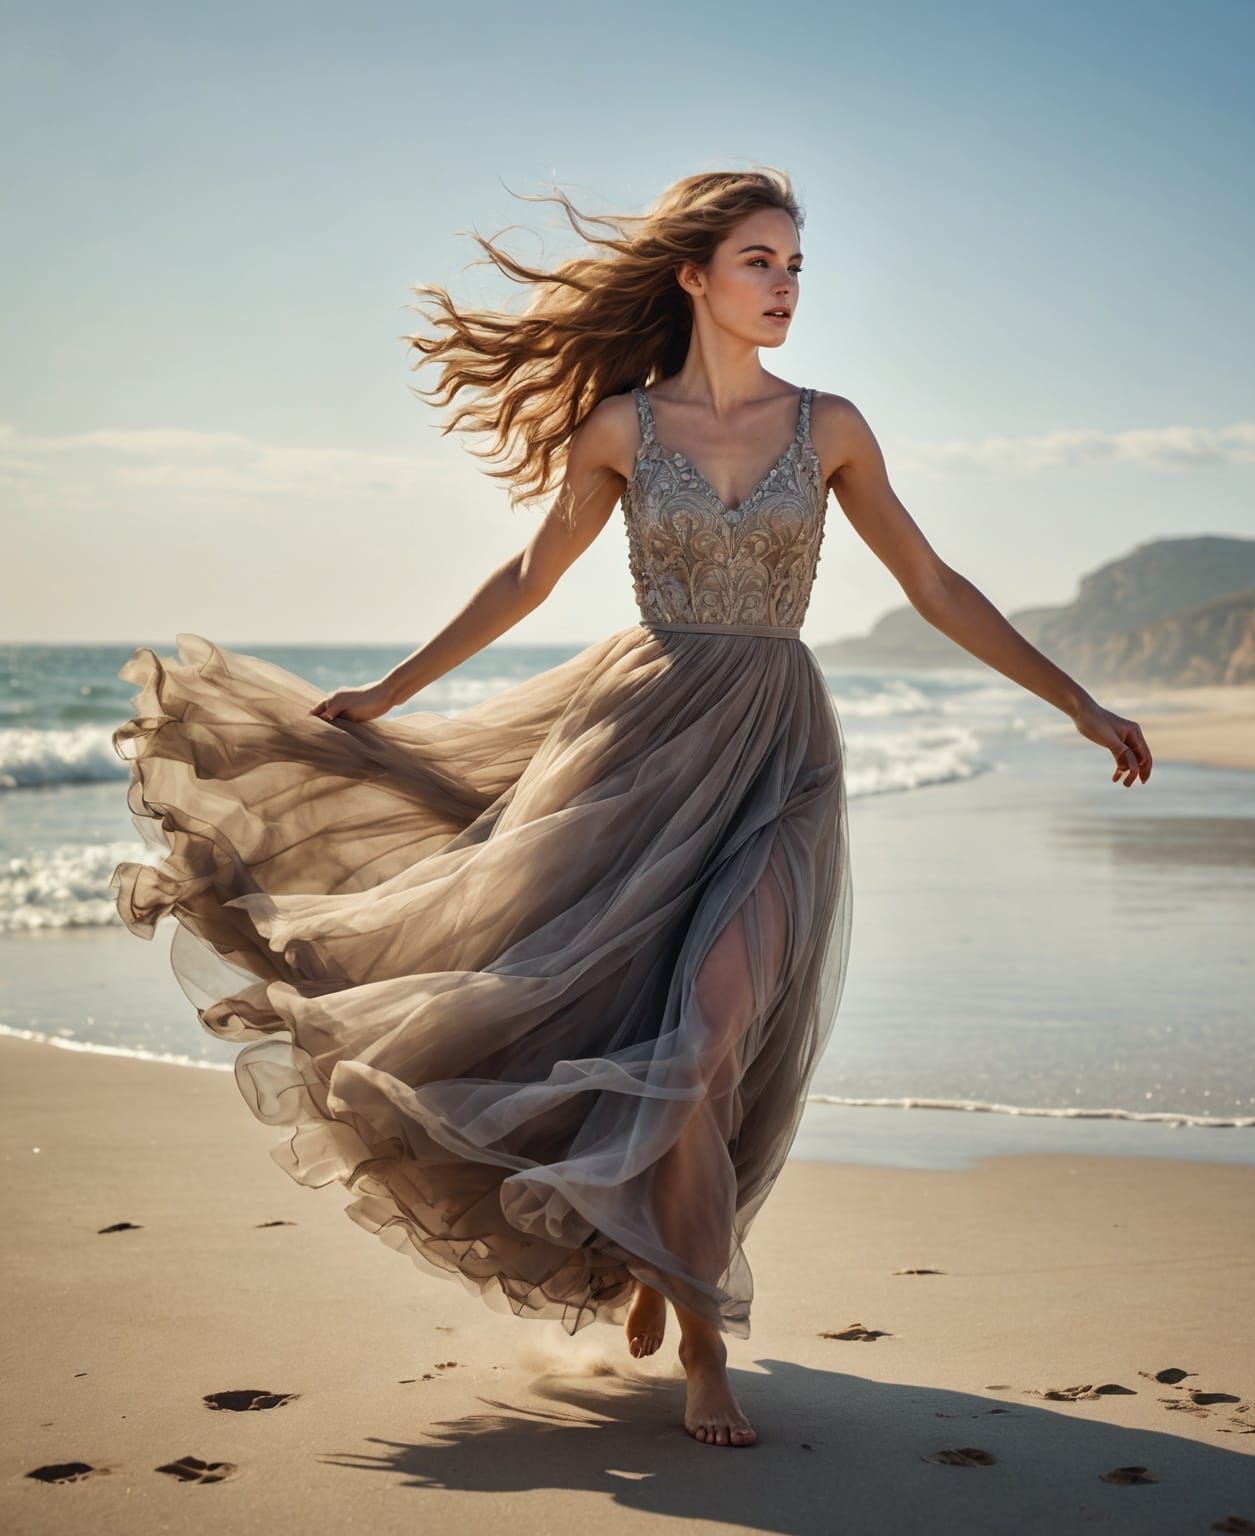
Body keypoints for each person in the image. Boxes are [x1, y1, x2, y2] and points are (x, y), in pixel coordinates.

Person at [109, 166, 1152, 1450]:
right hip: (641, 742)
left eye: (795, 267)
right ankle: (688, 1302)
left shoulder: (831, 426)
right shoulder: (622, 426)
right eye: (761, 262)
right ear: (696, 279)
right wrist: (394, 689)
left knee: (711, 1034)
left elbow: (932, 583)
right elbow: (529, 573)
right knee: (629, 1023)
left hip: (777, 756)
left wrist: (1075, 701)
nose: (784, 286)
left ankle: (686, 1297)